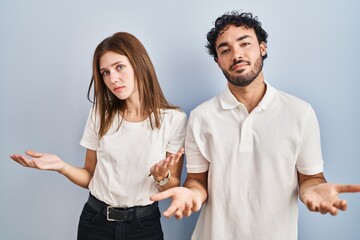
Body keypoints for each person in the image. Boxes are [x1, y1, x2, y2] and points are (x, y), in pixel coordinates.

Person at [150, 11, 360, 240]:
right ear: (217, 61)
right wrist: (192, 195)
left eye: (245, 44)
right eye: (225, 50)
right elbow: (197, 181)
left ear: (262, 48)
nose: (236, 55)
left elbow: (311, 178)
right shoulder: (201, 116)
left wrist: (314, 191)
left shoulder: (300, 112)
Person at [10, 32, 187, 240]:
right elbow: (90, 175)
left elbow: (172, 185)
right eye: (105, 72)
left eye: (119, 67)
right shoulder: (100, 115)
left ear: (139, 64)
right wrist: (62, 166)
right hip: (95, 222)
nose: (112, 79)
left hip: (144, 226)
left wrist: (161, 176)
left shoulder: (174, 119)